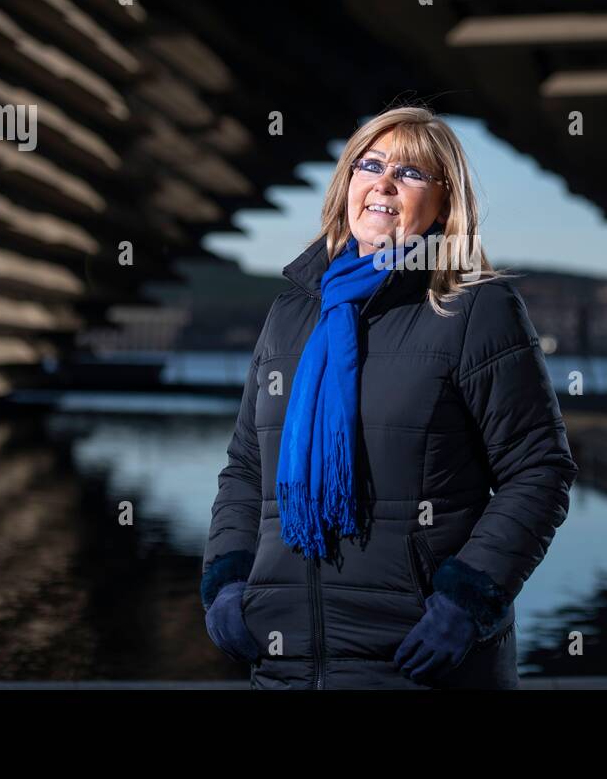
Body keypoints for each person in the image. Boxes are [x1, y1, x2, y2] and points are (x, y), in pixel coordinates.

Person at [199, 104, 578, 689]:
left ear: (444, 200)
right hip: (285, 665)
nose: (383, 183)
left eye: (411, 173)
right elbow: (248, 468)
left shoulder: (475, 310)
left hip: (416, 661)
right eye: (369, 165)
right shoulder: (293, 313)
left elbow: (538, 471)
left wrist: (465, 601)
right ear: (347, 184)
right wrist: (226, 582)